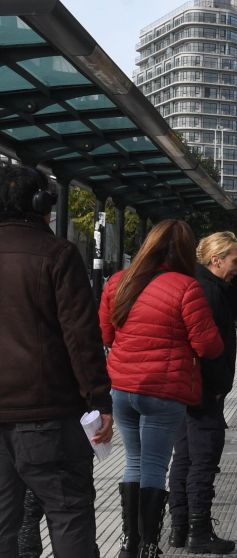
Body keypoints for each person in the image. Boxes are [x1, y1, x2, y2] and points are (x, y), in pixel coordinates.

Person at [0, 165, 114, 558]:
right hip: (48, 415)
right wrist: (100, 400)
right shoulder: (58, 255)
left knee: (3, 525)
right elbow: (81, 338)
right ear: (41, 204)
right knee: (69, 516)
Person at [99, 219, 224, 558]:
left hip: (122, 389)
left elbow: (107, 336)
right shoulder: (186, 287)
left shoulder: (118, 283)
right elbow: (208, 345)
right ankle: (150, 545)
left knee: (134, 462)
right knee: (155, 465)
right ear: (185, 251)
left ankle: (128, 544)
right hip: (163, 391)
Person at [168, 232, 237, 554]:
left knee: (183, 458)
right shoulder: (208, 292)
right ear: (216, 260)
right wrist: (215, 388)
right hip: (204, 391)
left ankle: (179, 528)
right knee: (203, 459)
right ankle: (199, 531)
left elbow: (231, 305)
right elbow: (208, 347)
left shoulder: (202, 285)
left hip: (189, 389)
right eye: (235, 260)